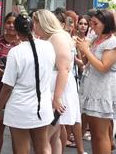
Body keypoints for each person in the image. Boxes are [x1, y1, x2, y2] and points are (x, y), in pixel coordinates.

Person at [0, 14, 55, 154]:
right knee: (43, 145)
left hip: (20, 108)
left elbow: (8, 86)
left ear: (17, 31)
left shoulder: (15, 52)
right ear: (33, 27)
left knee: (21, 148)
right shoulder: (48, 46)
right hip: (42, 106)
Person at [34, 10, 82, 154]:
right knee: (54, 136)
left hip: (58, 89)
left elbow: (64, 69)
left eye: (35, 22)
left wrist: (56, 98)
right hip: (56, 88)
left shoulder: (57, 38)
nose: (33, 26)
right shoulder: (56, 37)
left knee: (44, 138)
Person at [75, 9, 116, 154]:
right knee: (95, 134)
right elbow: (86, 62)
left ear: (105, 24)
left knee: (101, 134)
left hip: (103, 88)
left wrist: (86, 50)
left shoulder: (113, 42)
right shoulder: (96, 39)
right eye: (92, 23)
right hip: (91, 86)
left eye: (95, 23)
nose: (92, 26)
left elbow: (103, 67)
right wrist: (81, 49)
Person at [0, 12, 20, 154]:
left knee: (16, 130)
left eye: (14, 23)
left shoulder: (23, 43)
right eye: (8, 22)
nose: (11, 25)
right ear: (4, 24)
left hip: (16, 93)